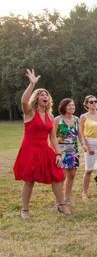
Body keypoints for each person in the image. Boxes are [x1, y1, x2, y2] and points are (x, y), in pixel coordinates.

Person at [13, 69, 68, 218]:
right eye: (42, 95)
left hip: (44, 149)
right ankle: (25, 210)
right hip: (29, 149)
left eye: (47, 95)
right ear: (37, 98)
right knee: (29, 180)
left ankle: (61, 205)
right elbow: (24, 101)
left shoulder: (50, 116)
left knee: (57, 176)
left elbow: (53, 138)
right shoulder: (30, 112)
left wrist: (58, 153)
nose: (45, 96)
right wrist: (32, 84)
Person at [54, 98, 80, 205]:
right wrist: (55, 152)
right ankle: (58, 200)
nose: (72, 107)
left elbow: (80, 135)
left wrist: (84, 144)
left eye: (73, 105)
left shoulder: (77, 119)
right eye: (69, 105)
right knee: (62, 176)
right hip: (61, 151)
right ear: (63, 107)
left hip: (74, 151)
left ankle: (67, 197)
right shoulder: (57, 120)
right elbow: (52, 137)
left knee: (72, 174)